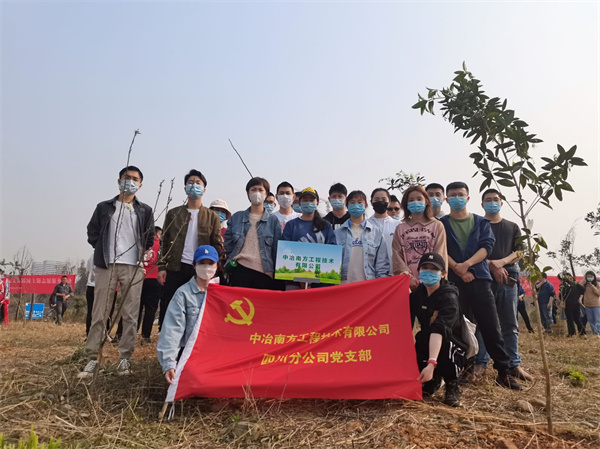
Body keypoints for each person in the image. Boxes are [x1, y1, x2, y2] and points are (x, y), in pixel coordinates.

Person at [440, 181, 520, 390]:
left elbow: (486, 247)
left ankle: (503, 371)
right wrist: (457, 268)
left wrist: (466, 265)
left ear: (467, 198)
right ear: (447, 199)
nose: (457, 198)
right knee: (460, 327)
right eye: (453, 195)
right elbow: (440, 249)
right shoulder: (441, 224)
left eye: (461, 195)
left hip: (480, 280)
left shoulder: (481, 222)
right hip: (454, 282)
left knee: (490, 325)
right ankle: (465, 368)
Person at [79, 165, 155, 378]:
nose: (130, 181)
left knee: (130, 314)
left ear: (140, 185)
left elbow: (149, 237)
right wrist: (102, 249)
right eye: (126, 177)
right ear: (119, 181)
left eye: (135, 179)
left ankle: (124, 358)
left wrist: (140, 252)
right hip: (107, 265)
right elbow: (92, 232)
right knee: (100, 312)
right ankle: (93, 358)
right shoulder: (104, 207)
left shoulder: (145, 210)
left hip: (133, 266)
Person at [475, 189, 532, 382]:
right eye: (488, 200)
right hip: (483, 278)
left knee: (510, 323)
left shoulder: (512, 226)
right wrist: (491, 265)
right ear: (482, 204)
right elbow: (472, 252)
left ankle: (513, 364)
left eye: (496, 199)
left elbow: (519, 252)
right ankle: (480, 362)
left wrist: (500, 263)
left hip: (509, 278)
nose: (492, 202)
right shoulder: (477, 225)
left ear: (501, 203)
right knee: (483, 322)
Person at [158, 170, 223, 330]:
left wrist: (213, 268)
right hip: (175, 266)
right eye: (190, 182)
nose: (194, 185)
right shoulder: (173, 214)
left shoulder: (212, 216)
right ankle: (166, 337)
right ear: (185, 188)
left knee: (197, 306)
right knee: (170, 304)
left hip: (200, 268)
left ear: (204, 189)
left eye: (198, 183)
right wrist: (162, 267)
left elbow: (216, 244)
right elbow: (164, 242)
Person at [410, 252, 466, 407]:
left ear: (443, 274)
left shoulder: (449, 298)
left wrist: (431, 363)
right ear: (418, 271)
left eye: (434, 269)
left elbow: (439, 331)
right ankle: (433, 380)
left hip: (451, 341)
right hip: (427, 338)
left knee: (447, 347)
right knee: (419, 342)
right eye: (425, 268)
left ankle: (452, 384)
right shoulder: (417, 295)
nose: (428, 272)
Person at [157, 245, 219, 384]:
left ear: (217, 266)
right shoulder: (183, 294)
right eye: (202, 263)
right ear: (194, 265)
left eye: (210, 263)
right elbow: (172, 330)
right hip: (189, 354)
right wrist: (169, 363)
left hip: (214, 353)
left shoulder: (223, 294)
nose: (206, 267)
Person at [224, 177, 282, 289]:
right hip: (240, 269)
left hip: (264, 273)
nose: (257, 193)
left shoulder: (273, 221)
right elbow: (228, 243)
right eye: (253, 189)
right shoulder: (237, 217)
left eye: (261, 190)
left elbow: (276, 249)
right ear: (248, 193)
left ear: (266, 194)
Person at [392, 185, 447, 290]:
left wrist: (430, 276)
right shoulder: (400, 228)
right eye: (411, 200)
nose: (415, 202)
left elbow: (440, 253)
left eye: (419, 199)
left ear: (426, 201)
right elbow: (397, 256)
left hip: (432, 281)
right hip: (408, 283)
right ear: (406, 204)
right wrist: (408, 277)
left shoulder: (437, 225)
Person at [335, 190, 389, 283]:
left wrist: (381, 284)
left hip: (368, 284)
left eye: (360, 202)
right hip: (343, 285)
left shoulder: (376, 233)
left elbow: (382, 265)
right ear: (347, 206)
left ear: (366, 205)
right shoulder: (337, 233)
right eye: (352, 203)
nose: (356, 205)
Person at [367, 188, 401, 276]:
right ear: (371, 202)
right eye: (376, 200)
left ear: (389, 202)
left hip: (395, 273)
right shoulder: (366, 225)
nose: (380, 202)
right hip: (370, 275)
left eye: (383, 199)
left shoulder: (398, 225)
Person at [138, 227, 162, 343]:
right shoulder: (160, 245)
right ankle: (146, 335)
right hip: (154, 278)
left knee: (136, 307)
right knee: (150, 309)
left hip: (139, 277)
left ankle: (129, 332)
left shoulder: (141, 244)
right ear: (157, 234)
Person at [559, 272, 586, 337]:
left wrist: (580, 297)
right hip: (571, 304)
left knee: (574, 319)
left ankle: (578, 333)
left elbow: (583, 289)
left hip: (573, 304)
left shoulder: (573, 284)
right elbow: (561, 296)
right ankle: (576, 333)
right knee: (573, 319)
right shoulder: (564, 285)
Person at [85, 255, 95, 336]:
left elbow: (88, 270)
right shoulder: (107, 255)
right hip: (101, 287)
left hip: (90, 286)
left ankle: (88, 333)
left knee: (90, 311)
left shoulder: (91, 257)